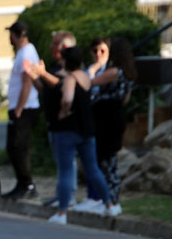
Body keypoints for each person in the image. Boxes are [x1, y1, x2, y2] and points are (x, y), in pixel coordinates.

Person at [44, 47, 113, 224]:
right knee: (93, 168)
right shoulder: (85, 76)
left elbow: (67, 98)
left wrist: (63, 112)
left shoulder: (70, 78)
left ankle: (62, 213)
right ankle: (109, 204)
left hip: (67, 129)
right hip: (87, 129)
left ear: (66, 61)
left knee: (66, 171)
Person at [25, 30, 77, 208]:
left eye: (54, 44)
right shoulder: (56, 66)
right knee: (60, 163)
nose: (50, 47)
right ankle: (61, 195)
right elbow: (45, 89)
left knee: (67, 164)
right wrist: (34, 76)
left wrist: (43, 72)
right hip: (53, 122)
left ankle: (68, 197)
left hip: (66, 124)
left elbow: (60, 84)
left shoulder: (69, 67)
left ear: (64, 47)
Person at [88, 37, 136, 216]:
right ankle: (110, 199)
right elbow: (125, 98)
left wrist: (92, 70)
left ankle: (110, 199)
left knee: (105, 161)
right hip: (115, 117)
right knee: (109, 161)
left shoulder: (114, 72)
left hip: (106, 120)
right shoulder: (127, 73)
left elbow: (90, 83)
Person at [2, 20, 40, 199]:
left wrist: (19, 109)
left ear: (15, 35)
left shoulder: (26, 53)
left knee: (17, 146)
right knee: (16, 147)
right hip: (23, 107)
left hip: (25, 108)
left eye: (11, 34)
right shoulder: (25, 51)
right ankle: (24, 183)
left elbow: (27, 82)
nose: (9, 38)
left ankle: (27, 184)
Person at [74, 37, 111, 213]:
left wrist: (94, 70)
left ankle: (104, 199)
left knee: (99, 162)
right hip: (91, 121)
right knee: (90, 161)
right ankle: (93, 196)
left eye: (102, 51)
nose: (98, 55)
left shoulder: (109, 71)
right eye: (95, 51)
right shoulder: (89, 70)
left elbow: (88, 86)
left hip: (105, 121)